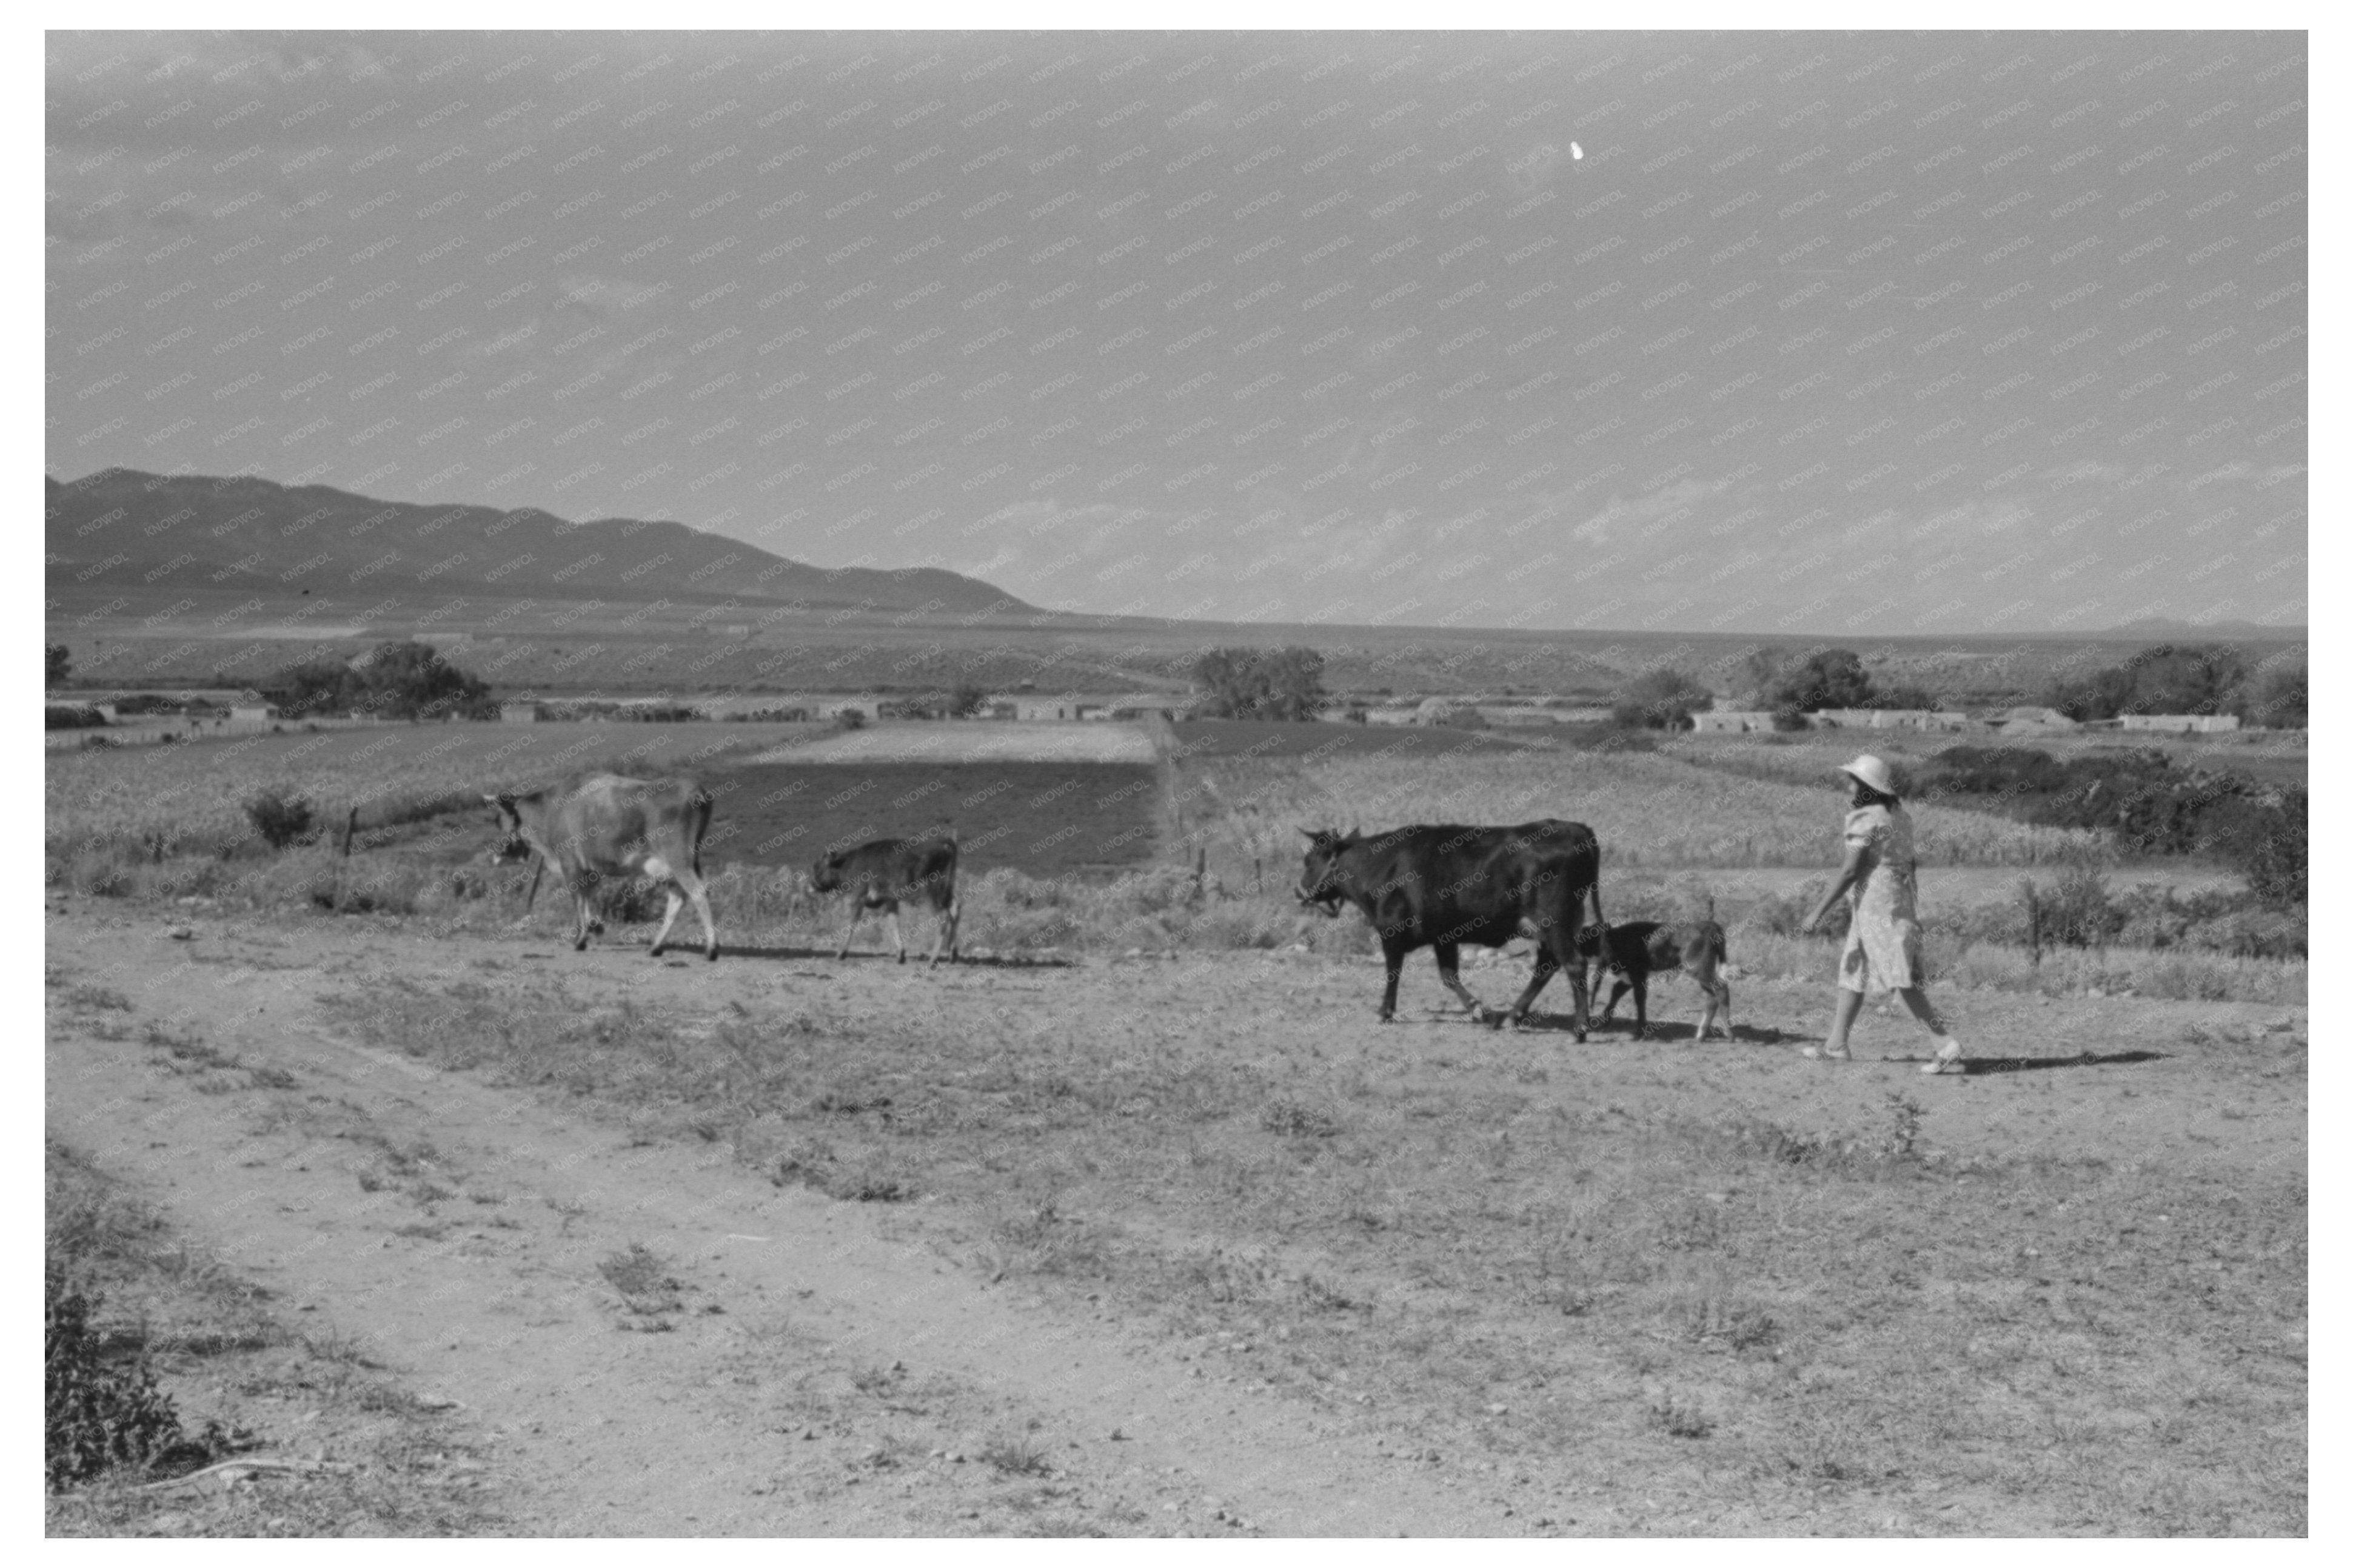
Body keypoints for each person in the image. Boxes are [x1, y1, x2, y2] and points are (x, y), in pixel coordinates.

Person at [1799, 754, 1964, 1074]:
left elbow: (1850, 871)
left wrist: (1817, 912)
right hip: (1895, 896)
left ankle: (1944, 1043)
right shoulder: (1900, 816)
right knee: (1855, 968)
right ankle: (1836, 1045)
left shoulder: (1865, 818)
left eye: (1853, 781)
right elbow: (1910, 863)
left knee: (1896, 975)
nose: (1848, 786)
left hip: (1875, 900)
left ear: (1864, 786)